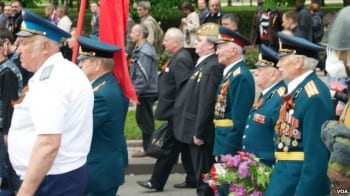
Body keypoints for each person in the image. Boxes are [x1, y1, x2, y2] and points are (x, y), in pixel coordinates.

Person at [8, 10, 94, 195]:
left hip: (49, 180)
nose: (18, 49)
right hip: (58, 176)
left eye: (24, 43)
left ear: (45, 47)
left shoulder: (50, 81)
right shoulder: (63, 70)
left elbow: (48, 143)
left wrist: (25, 192)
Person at [265, 32, 334, 195]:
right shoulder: (296, 90)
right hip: (284, 178)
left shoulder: (313, 96)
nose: (278, 64)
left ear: (298, 62)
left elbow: (316, 157)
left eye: (282, 58)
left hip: (297, 183)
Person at [137, 28, 196, 191]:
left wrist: (178, 112)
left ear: (176, 42)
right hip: (175, 112)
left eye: (166, 40)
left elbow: (184, 89)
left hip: (176, 114)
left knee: (168, 149)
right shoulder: (177, 57)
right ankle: (193, 179)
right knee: (183, 147)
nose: (163, 43)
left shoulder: (181, 59)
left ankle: (156, 182)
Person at [173, 23, 224, 196]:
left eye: (199, 40)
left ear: (211, 44)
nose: (195, 43)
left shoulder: (213, 66)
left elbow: (206, 102)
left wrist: (199, 131)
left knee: (204, 179)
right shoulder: (204, 64)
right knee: (200, 175)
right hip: (192, 127)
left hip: (199, 132)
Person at [77, 36, 129, 196]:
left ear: (98, 64)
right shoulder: (106, 85)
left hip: (98, 169)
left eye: (84, 61)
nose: (80, 64)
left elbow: (80, 128)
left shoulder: (101, 95)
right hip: (103, 165)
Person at [212, 26, 255, 156]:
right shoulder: (231, 74)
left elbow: (239, 121)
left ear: (232, 50)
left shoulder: (240, 76)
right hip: (221, 139)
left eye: (220, 48)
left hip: (228, 144)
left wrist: (228, 151)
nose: (216, 52)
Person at [241, 44, 285, 167]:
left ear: (272, 74)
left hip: (267, 164)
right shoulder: (267, 94)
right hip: (256, 163)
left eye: (260, 70)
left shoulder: (280, 97)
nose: (255, 74)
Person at [129, 24, 158, 157]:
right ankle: (148, 147)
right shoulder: (141, 49)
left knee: (145, 122)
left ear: (140, 35)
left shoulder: (144, 53)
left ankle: (149, 149)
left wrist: (133, 93)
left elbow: (143, 76)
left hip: (146, 92)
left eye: (133, 32)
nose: (130, 34)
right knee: (143, 120)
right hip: (145, 91)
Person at [0, 31, 22, 195]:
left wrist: (7, 132)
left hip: (4, 129)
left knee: (5, 170)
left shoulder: (8, 71)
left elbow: (10, 103)